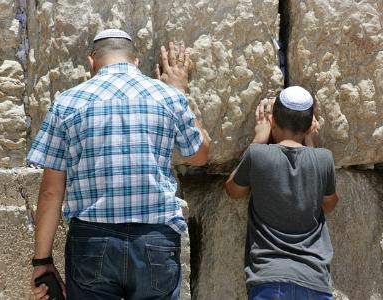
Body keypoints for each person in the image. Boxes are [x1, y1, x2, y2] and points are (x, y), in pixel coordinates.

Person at [28, 29, 209, 300]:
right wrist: (180, 92)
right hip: (155, 239)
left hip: (92, 243)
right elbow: (200, 155)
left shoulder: (66, 103)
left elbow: (51, 192)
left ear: (92, 62)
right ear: (135, 60)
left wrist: (41, 261)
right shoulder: (168, 97)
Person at [225, 86, 339, 300]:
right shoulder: (323, 159)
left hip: (269, 279)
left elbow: (233, 190)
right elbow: (329, 204)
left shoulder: (258, 154)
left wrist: (258, 139)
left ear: (272, 122)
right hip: (315, 280)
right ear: (308, 128)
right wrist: (311, 143)